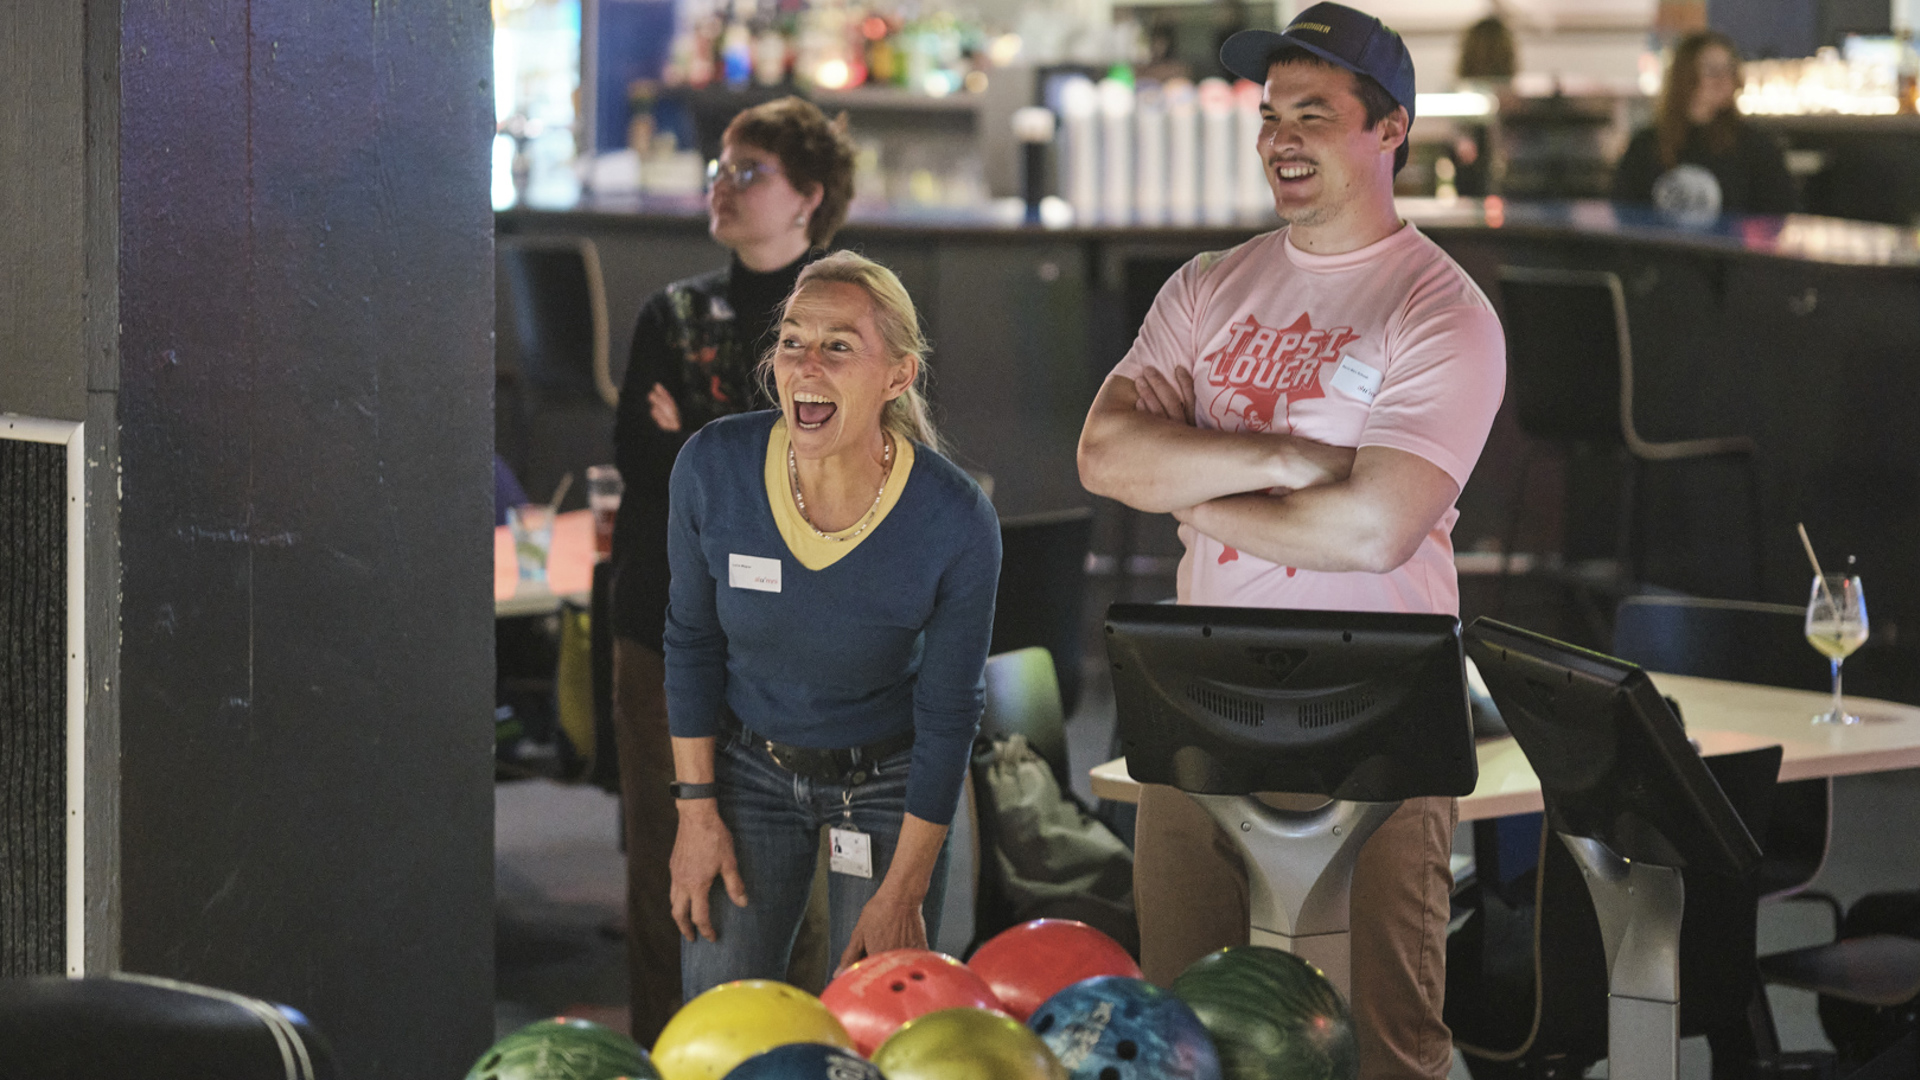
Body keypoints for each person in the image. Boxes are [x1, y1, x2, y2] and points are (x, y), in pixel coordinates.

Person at [1076, 5, 1506, 1080]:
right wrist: (1281, 458)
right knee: (1186, 1038)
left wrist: (1197, 496)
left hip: (1374, 706)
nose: (1280, 139)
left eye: (1314, 114)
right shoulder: (1207, 285)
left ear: (1391, 129)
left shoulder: (1440, 310)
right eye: (1270, 115)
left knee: (1378, 1044)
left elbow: (1372, 529)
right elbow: (1106, 454)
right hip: (1199, 691)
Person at [662, 251, 1001, 996]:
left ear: (898, 377)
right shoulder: (713, 468)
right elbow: (690, 644)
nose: (806, 364)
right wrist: (695, 813)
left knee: (872, 1018)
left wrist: (905, 889)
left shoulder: (954, 519)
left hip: (888, 778)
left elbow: (950, 711)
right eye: (792, 340)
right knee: (722, 1018)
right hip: (749, 765)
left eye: (839, 345)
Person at [607, 95, 855, 1042]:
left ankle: (793, 1052)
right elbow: (643, 464)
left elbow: (841, 471)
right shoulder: (671, 313)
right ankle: (663, 1053)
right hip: (663, 617)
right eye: (720, 167)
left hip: (799, 631)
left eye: (748, 170)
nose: (723, 183)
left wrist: (702, 441)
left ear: (809, 196)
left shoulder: (846, 317)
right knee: (664, 857)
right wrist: (751, 451)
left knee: (795, 863)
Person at [1613, 31, 1794, 217]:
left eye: (1730, 69)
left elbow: (1776, 216)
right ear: (1685, 75)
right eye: (1712, 70)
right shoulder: (1646, 146)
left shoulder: (1756, 148)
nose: (1724, 79)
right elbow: (1625, 214)